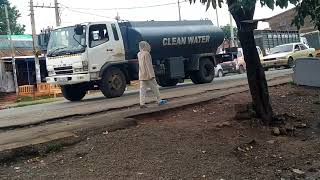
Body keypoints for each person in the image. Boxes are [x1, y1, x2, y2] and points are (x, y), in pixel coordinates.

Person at [138, 41, 167, 108]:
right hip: (148, 75)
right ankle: (159, 100)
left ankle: (142, 103)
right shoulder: (147, 54)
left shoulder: (139, 54)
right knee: (155, 88)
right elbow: (149, 65)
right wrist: (152, 75)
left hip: (142, 75)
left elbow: (140, 65)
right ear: (145, 46)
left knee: (142, 90)